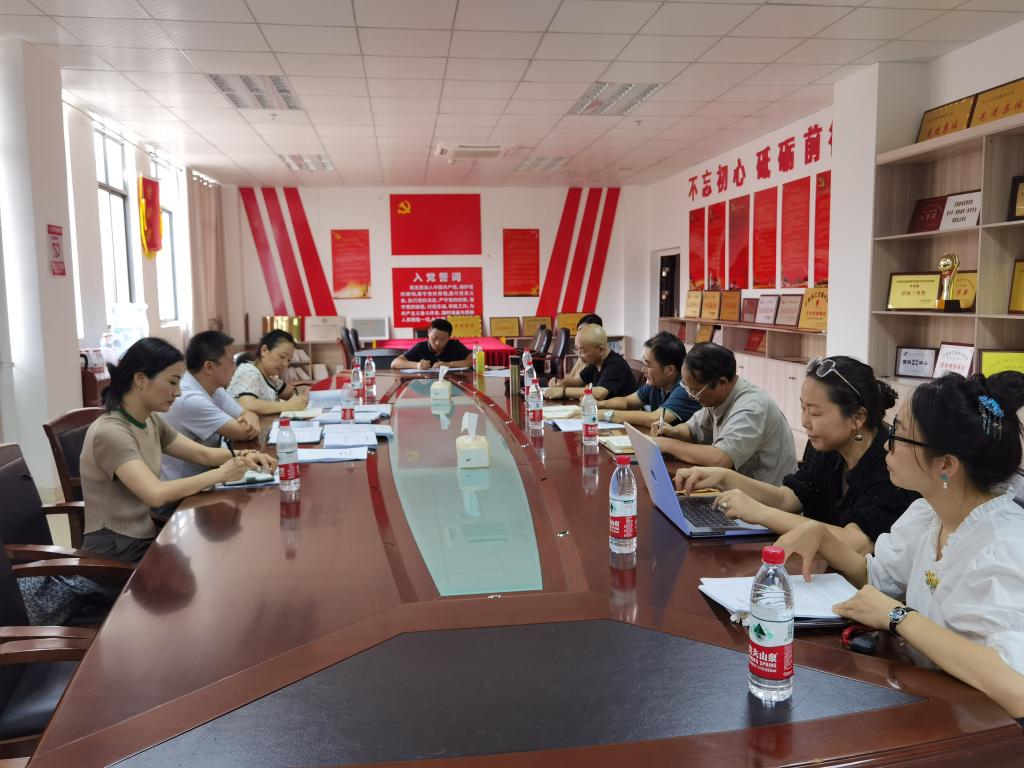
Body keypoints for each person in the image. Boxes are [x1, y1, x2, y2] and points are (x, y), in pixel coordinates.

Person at [773, 372, 1024, 720]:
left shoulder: (1006, 544)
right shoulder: (930, 514)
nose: (885, 445)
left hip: (982, 729)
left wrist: (898, 617)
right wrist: (823, 537)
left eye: (897, 436)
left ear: (945, 464)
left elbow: (1015, 687)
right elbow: (879, 580)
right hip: (931, 704)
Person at [21, 338, 276, 625]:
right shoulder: (112, 432)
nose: (178, 392)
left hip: (143, 541)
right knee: (215, 584)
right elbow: (154, 494)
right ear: (141, 379)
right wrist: (222, 473)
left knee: (221, 570)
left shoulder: (149, 421)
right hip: (115, 560)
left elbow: (202, 453)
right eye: (172, 382)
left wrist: (246, 457)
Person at [676, 356, 919, 551]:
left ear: (858, 417)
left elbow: (856, 542)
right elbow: (788, 498)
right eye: (803, 408)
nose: (804, 421)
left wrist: (761, 513)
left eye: (815, 412)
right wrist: (724, 477)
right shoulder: (828, 447)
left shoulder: (890, 463)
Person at [652, 342, 796, 484]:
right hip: (737, 487)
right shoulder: (718, 398)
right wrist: (674, 432)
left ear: (722, 382)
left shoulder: (751, 408)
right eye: (688, 388)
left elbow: (720, 459)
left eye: (695, 390)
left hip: (766, 494)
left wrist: (667, 444)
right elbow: (693, 429)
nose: (691, 396)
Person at [162, 331, 261, 481]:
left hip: (208, 474)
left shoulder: (214, 388)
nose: (235, 368)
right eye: (231, 361)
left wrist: (250, 415)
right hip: (186, 486)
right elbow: (241, 432)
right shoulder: (189, 398)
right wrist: (248, 419)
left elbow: (245, 413)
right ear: (209, 367)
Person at [597, 331, 699, 427]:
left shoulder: (687, 389)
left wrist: (606, 414)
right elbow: (627, 402)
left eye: (647, 365)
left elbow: (654, 418)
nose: (643, 369)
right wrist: (597, 405)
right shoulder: (657, 384)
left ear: (670, 370)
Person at [226, 329, 309, 415]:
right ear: (264, 350)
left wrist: (300, 396)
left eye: (289, 360)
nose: (285, 364)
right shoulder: (249, 371)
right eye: (282, 356)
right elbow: (247, 405)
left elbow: (291, 391)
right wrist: (288, 406)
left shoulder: (270, 379)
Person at [544, 323, 636, 400]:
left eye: (582, 350)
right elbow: (578, 381)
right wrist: (561, 383)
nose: (579, 355)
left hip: (621, 414)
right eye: (577, 349)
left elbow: (599, 393)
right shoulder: (595, 362)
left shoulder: (615, 364)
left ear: (600, 350)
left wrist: (563, 391)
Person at [391, 318, 473, 370]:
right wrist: (417, 365)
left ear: (449, 338)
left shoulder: (455, 345)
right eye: (434, 338)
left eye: (443, 339)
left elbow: (473, 361)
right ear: (428, 333)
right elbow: (395, 363)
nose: (437, 343)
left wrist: (448, 364)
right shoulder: (420, 347)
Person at [562, 314, 603, 382]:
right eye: (579, 331)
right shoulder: (582, 358)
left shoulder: (597, 362)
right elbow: (574, 380)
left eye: (583, 331)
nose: (579, 335)